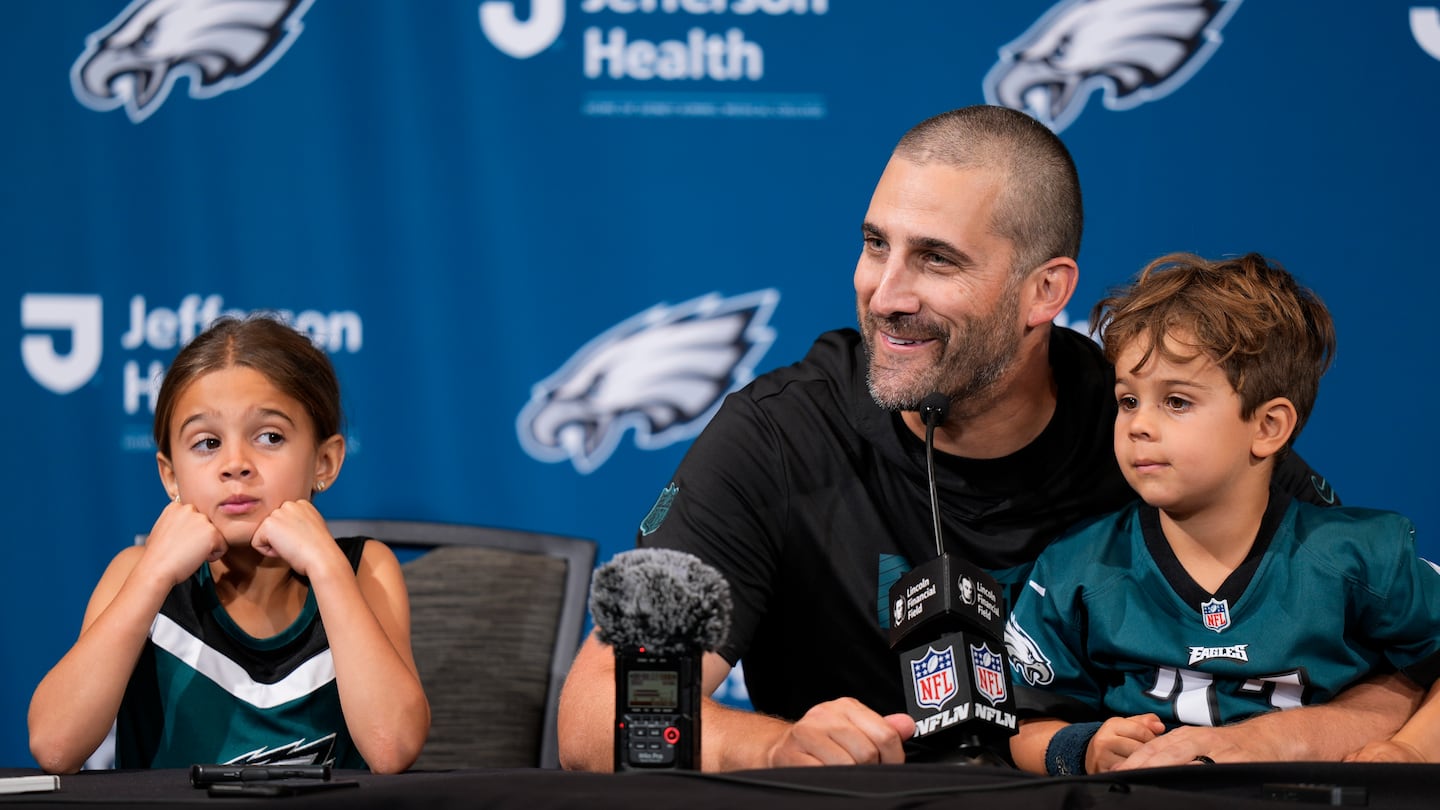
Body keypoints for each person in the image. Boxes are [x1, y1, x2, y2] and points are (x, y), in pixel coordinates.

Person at [555, 105, 1415, 773]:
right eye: (874, 245)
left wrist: (1293, 738)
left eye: (937, 260)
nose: (886, 293)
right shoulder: (777, 434)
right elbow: (598, 717)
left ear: (1046, 290)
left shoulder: (1151, 423)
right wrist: (772, 746)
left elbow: (1401, 664)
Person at [1004, 252, 1440, 775]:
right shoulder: (1077, 568)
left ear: (1268, 427)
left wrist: (1411, 749)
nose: (1139, 425)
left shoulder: (1362, 557)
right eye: (1128, 401)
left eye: (1177, 402)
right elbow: (1026, 725)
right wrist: (1082, 749)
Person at [27, 315, 430, 774]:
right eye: (207, 443)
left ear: (325, 460)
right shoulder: (135, 574)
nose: (235, 464)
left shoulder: (363, 570)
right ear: (170, 475)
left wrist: (327, 567)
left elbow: (392, 747)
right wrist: (153, 575)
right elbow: (55, 746)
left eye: (270, 437)